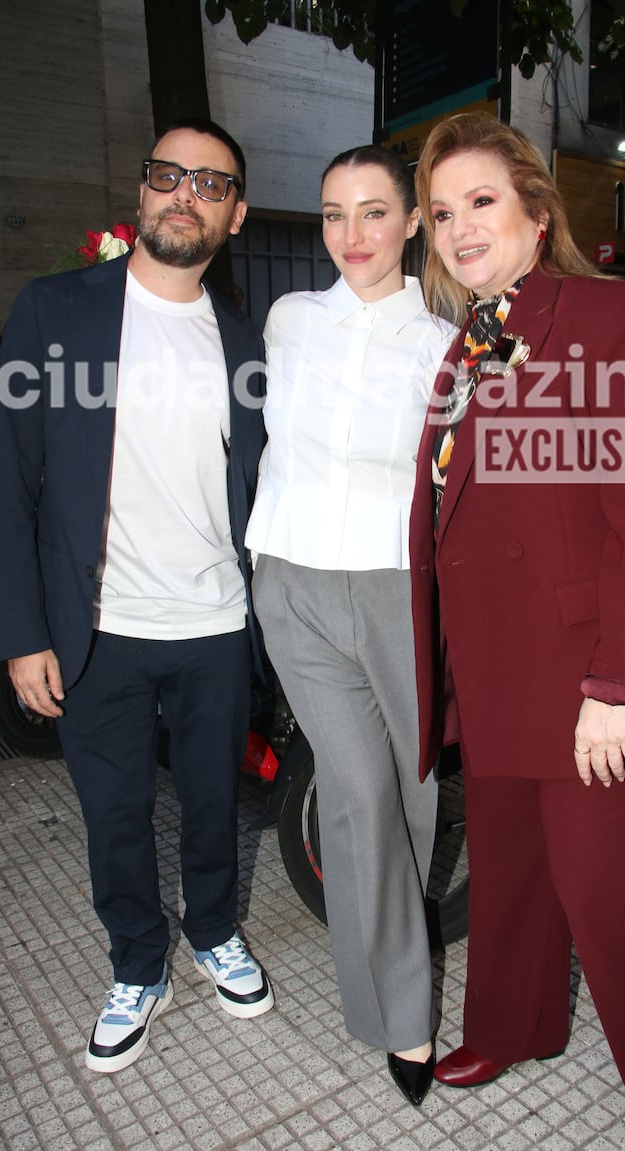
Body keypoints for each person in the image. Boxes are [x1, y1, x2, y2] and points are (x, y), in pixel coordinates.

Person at [409, 112, 625, 1149]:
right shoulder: (465, 343)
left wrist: (619, 686)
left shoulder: (610, 315)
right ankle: (514, 1022)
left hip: (583, 669)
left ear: (536, 214)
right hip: (491, 665)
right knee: (507, 865)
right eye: (441, 212)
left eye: (481, 201)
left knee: (599, 883)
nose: (459, 227)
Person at [0, 117, 274, 1075]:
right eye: (169, 175)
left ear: (235, 215)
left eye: (211, 183)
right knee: (113, 815)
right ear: (141, 191)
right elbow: (8, 481)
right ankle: (138, 964)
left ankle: (215, 931)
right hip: (96, 627)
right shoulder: (55, 311)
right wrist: (22, 632)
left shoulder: (244, 339)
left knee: (213, 804)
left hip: (215, 622)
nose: (185, 194)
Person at [246, 145, 457, 1106]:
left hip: (396, 587)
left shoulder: (445, 341)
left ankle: (384, 962)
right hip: (291, 581)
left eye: (374, 212)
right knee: (361, 790)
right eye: (333, 214)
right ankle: (403, 1016)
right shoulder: (290, 319)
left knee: (407, 791)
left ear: (412, 221)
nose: (351, 235)